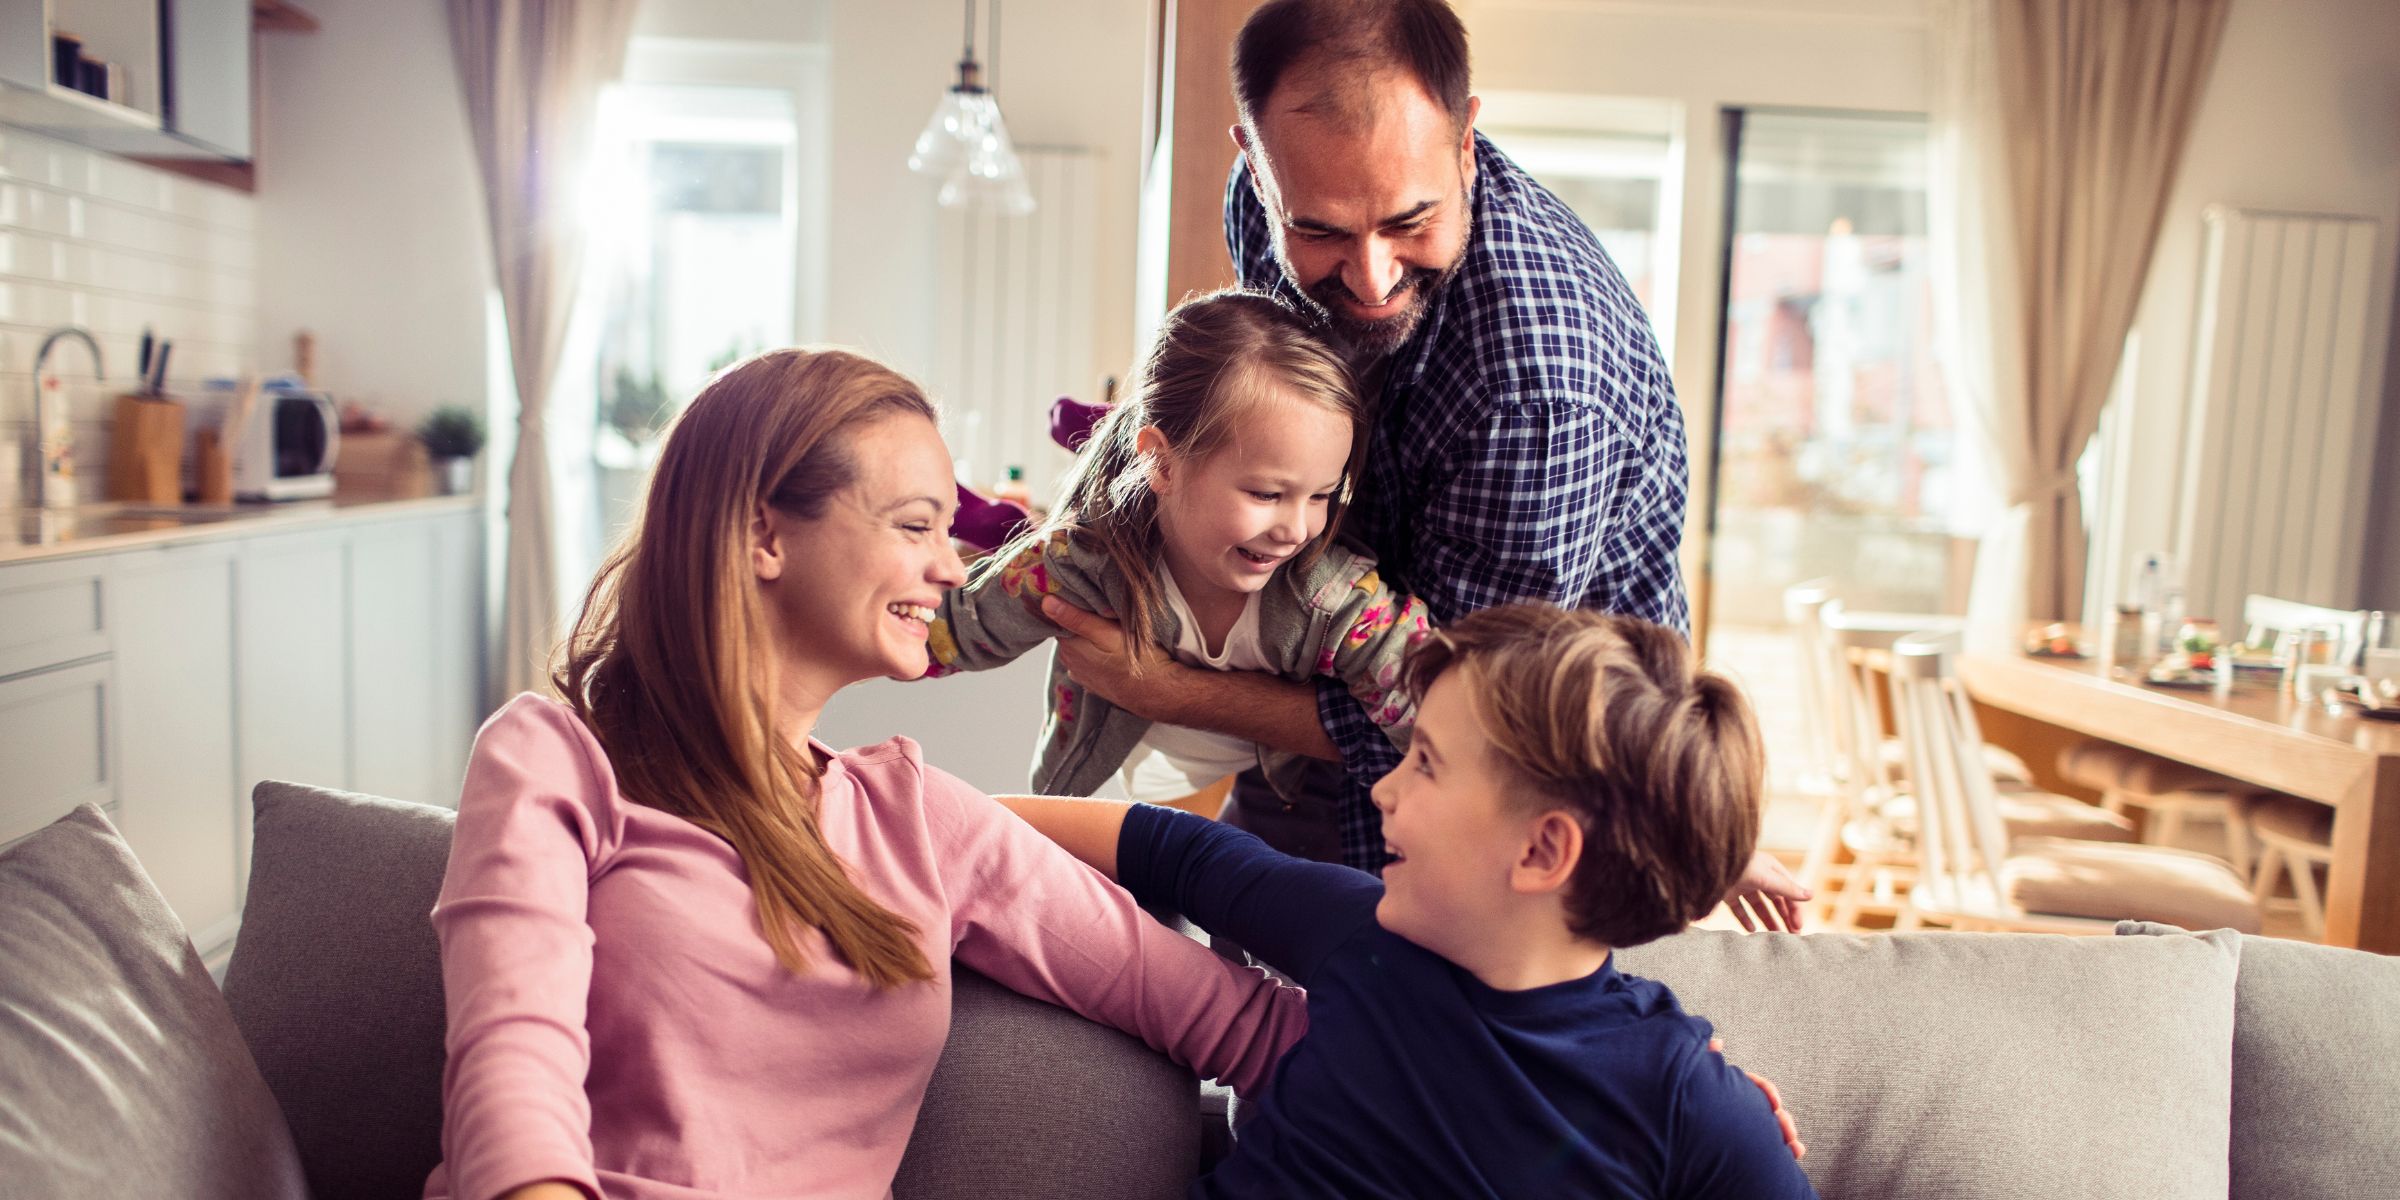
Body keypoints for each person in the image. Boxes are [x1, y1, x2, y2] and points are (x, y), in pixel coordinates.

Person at [425, 349, 1308, 1200]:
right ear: (764, 533)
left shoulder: (917, 820)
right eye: (916, 525)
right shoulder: (556, 759)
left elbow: (1238, 1022)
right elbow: (513, 1081)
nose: (952, 568)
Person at [1038, 0, 1806, 930]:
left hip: (1510, 771)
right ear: (1258, 163)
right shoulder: (1265, 197)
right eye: (1321, 231)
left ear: (1466, 141)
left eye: (1411, 221)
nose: (1371, 278)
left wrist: (1163, 690)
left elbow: (1458, 713)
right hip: (1329, 681)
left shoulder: (1536, 386)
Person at [1000, 603, 1816, 1197]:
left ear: (1540, 851)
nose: (1383, 789)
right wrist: (962, 816)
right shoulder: (1362, 936)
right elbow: (1178, 849)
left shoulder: (1691, 1103)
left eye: (1425, 763)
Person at [923, 290, 1430, 860]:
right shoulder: (1078, 565)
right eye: (1267, 494)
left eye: (1321, 496)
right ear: (1161, 462)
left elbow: (1434, 711)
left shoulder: (1335, 602)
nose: (1296, 530)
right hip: (1094, 786)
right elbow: (949, 630)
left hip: (1265, 789)